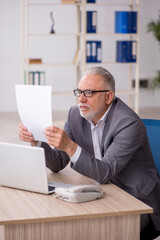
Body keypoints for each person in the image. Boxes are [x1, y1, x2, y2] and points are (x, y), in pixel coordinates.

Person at [19, 66, 160, 240]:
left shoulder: (128, 123)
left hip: (137, 201)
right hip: (104, 192)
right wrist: (36, 140)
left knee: (89, 232)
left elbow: (105, 172)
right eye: (79, 92)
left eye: (89, 93)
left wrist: (70, 146)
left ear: (108, 96)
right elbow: (58, 163)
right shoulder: (75, 115)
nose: (81, 99)